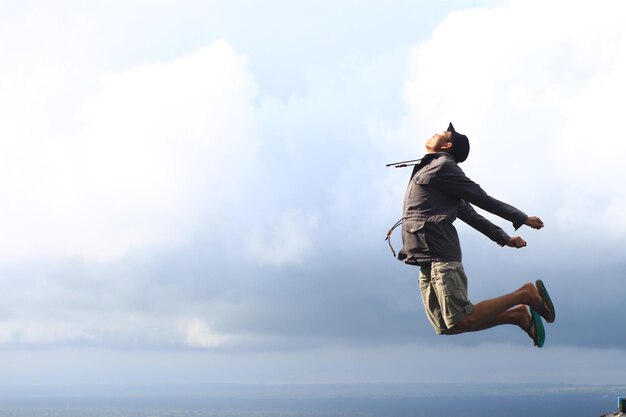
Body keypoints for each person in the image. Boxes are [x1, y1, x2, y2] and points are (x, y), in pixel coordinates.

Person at [388, 123, 555, 347]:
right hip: (424, 257)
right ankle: (517, 316)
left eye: (443, 133)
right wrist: (504, 238)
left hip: (440, 252)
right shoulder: (428, 168)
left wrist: (520, 217)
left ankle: (525, 294)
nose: (436, 132)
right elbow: (467, 212)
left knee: (461, 317)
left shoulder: (444, 167)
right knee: (447, 326)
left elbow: (480, 198)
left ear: (447, 145)